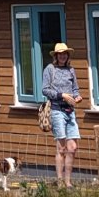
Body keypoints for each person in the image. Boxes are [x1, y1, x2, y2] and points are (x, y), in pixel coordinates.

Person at [41, 40, 81, 188]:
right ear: (56, 56)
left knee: (72, 148)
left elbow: (75, 89)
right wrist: (62, 95)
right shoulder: (50, 69)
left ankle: (68, 181)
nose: (63, 56)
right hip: (57, 109)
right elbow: (45, 90)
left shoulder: (71, 70)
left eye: (65, 54)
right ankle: (59, 181)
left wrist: (77, 97)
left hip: (70, 111)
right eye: (60, 54)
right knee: (61, 147)